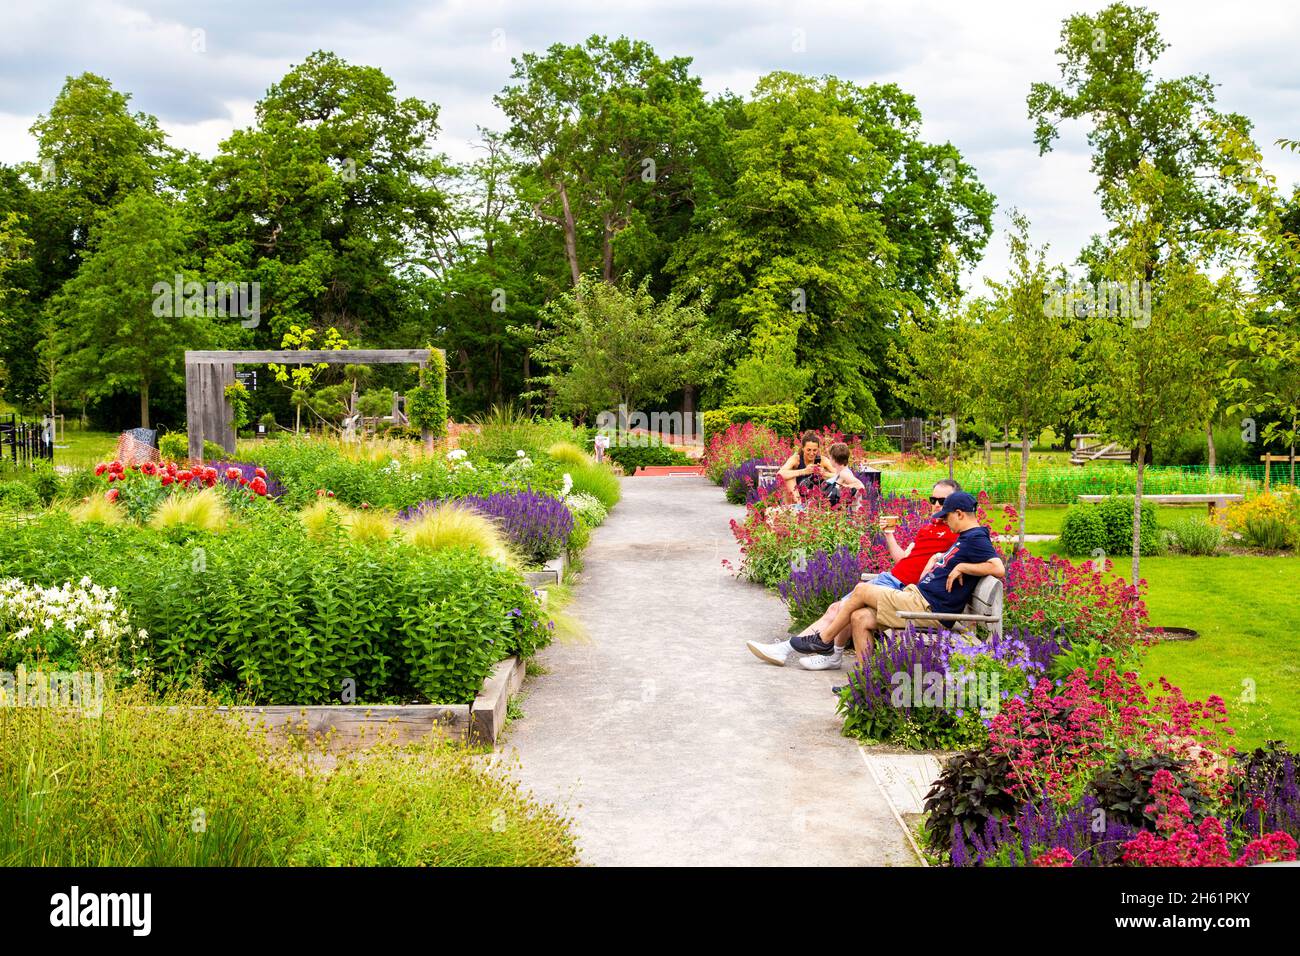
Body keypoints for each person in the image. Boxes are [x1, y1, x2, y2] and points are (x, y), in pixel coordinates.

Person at [747, 479, 963, 666]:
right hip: (891, 577)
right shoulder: (929, 527)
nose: (935, 505)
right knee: (840, 608)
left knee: (837, 609)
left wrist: (957, 565)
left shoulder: (955, 534)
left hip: (901, 588)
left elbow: (975, 551)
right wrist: (889, 535)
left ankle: (789, 649)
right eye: (932, 500)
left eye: (942, 502)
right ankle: (831, 655)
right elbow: (902, 560)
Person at [796, 491, 1004, 671]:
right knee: (859, 617)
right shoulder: (967, 536)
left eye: (947, 516)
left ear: (959, 514)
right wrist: (939, 558)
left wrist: (963, 567)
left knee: (861, 590)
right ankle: (866, 684)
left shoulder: (976, 537)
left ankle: (824, 640)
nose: (945, 521)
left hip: (928, 607)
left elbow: (998, 568)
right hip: (917, 598)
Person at [776, 432, 832, 503]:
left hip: (816, 500)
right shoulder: (796, 459)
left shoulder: (822, 460)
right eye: (808, 450)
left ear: (818, 449)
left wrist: (824, 473)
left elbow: (840, 475)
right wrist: (804, 471)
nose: (812, 453)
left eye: (815, 450)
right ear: (803, 448)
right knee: (789, 477)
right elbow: (779, 474)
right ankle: (799, 505)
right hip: (795, 499)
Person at [816, 442, 866, 507]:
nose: (829, 459)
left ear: (834, 459)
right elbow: (835, 477)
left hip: (851, 513)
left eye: (830, 457)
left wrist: (844, 487)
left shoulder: (844, 473)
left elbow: (861, 486)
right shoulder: (841, 472)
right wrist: (824, 474)